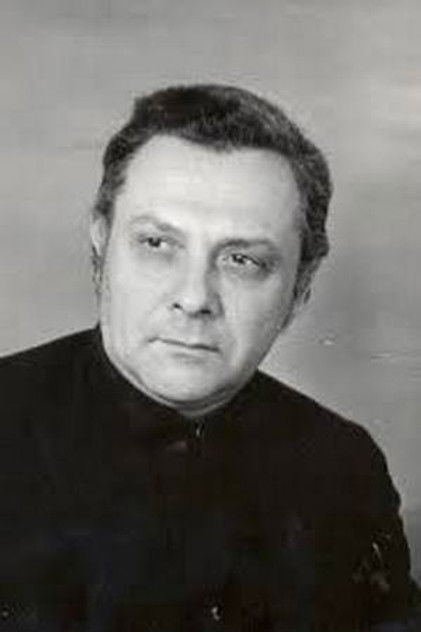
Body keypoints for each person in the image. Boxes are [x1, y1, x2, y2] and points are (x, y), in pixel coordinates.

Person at [0, 84, 419, 632]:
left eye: (242, 260)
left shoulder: (343, 465)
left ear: (300, 290)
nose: (195, 297)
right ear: (100, 246)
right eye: (157, 244)